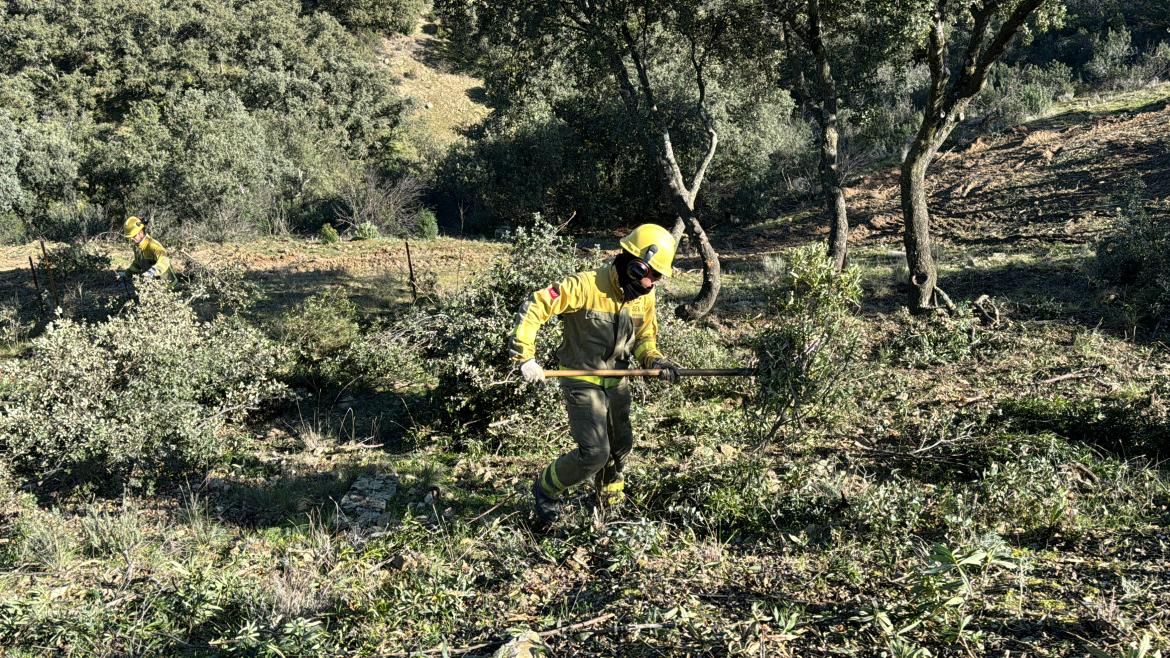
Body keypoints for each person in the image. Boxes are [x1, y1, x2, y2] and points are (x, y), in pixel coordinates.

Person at [510, 224, 681, 527]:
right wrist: (525, 357)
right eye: (647, 273)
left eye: (657, 277)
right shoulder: (587, 285)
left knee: (620, 445)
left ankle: (609, 501)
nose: (650, 282)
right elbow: (537, 305)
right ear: (632, 262)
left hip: (618, 379)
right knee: (595, 452)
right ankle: (546, 490)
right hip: (582, 379)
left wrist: (656, 360)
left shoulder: (645, 296)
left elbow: (644, 339)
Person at [118, 215, 174, 283]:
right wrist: (126, 274)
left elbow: (164, 261)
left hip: (168, 286)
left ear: (141, 232)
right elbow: (137, 264)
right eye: (130, 237)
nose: (131, 239)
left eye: (134, 236)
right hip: (152, 286)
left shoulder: (153, 245)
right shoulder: (137, 247)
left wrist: (152, 271)